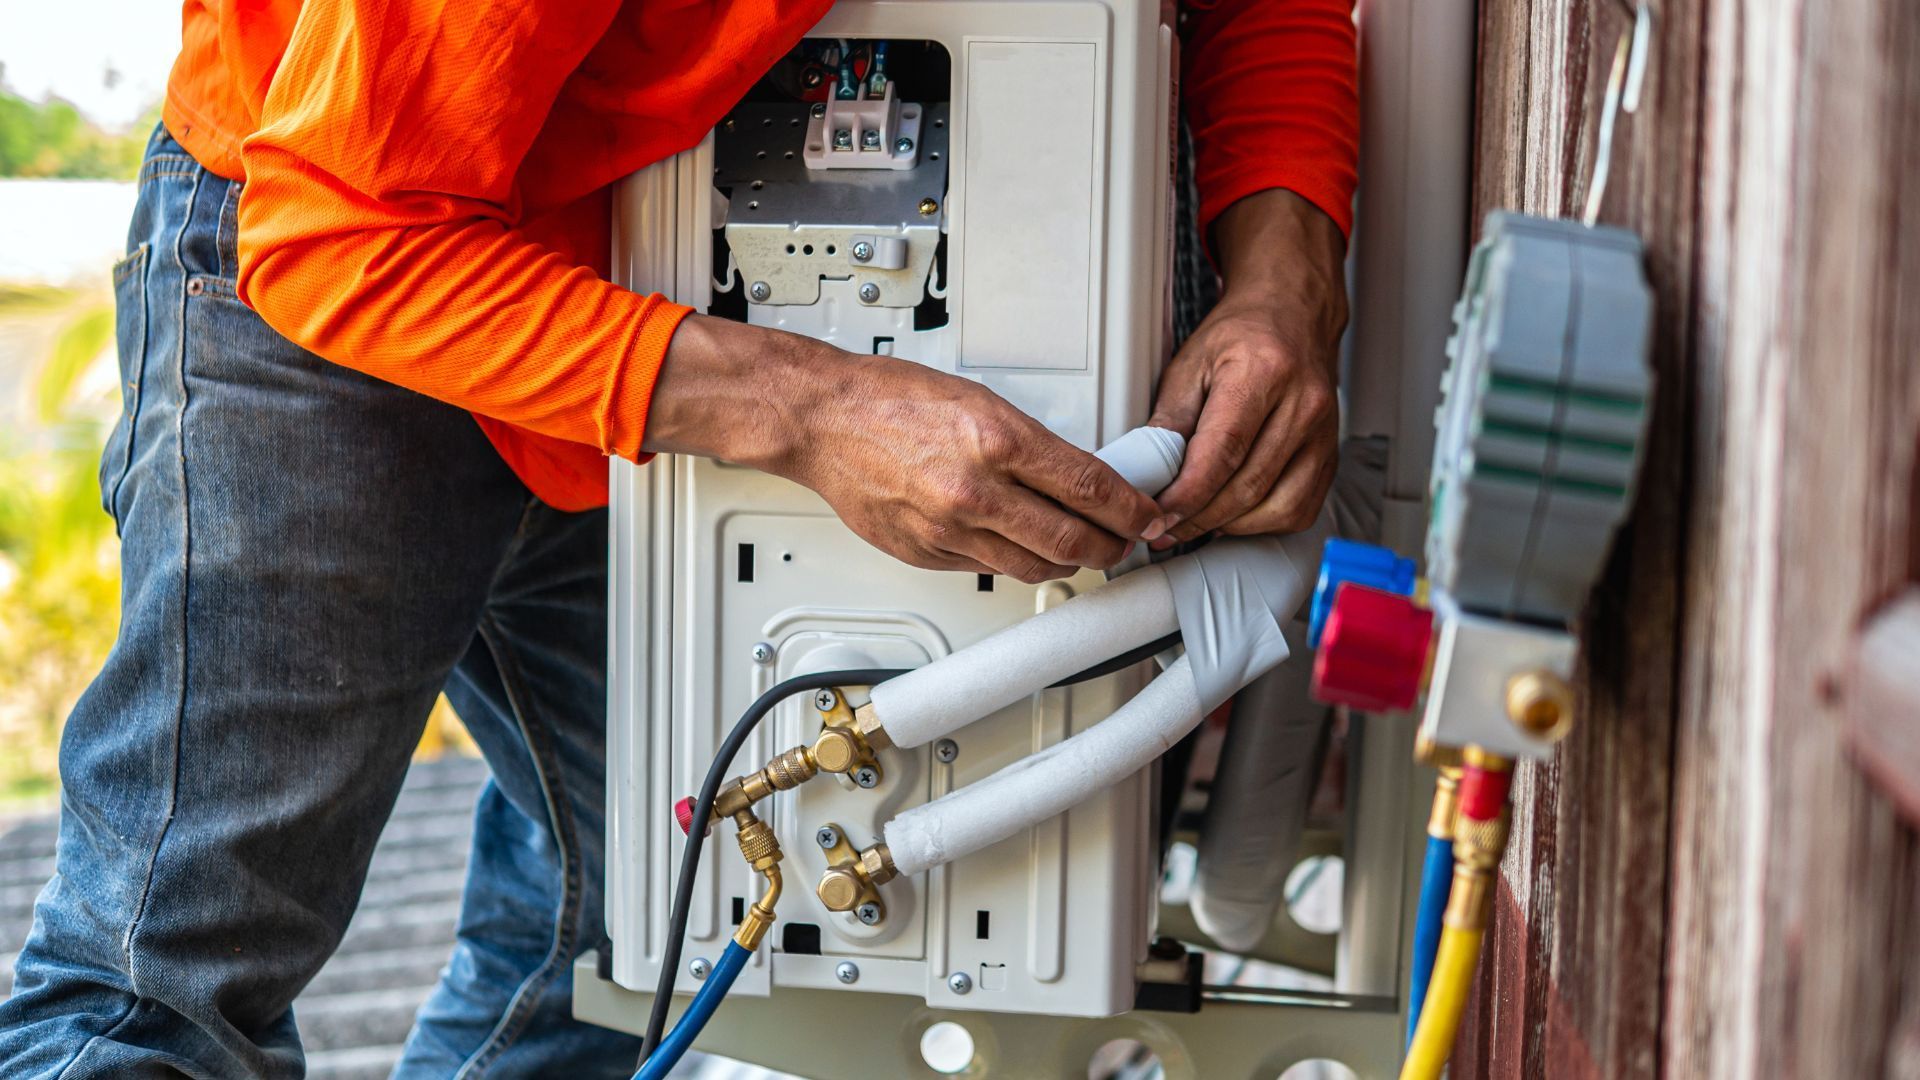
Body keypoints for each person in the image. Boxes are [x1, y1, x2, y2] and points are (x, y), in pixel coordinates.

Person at [0, 1, 1356, 1075]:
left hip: (654, 240)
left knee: (647, 917)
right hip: (341, 257)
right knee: (167, 980)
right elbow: (337, 229)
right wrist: (814, 411)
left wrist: (1284, 282)